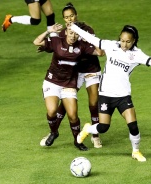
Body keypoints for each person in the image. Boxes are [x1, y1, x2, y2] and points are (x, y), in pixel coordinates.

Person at [70, 22, 151, 161]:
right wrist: (74, 27)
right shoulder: (111, 45)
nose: (124, 44)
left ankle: (135, 151)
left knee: (133, 126)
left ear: (134, 41)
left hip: (123, 95)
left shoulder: (137, 55)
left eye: (128, 42)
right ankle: (88, 129)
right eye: (122, 40)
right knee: (103, 127)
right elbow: (91, 39)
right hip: (106, 94)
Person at [39, 2, 103, 149]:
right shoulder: (63, 33)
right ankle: (53, 132)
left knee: (93, 103)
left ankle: (95, 135)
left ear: (76, 15)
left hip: (91, 68)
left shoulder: (87, 30)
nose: (69, 19)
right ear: (64, 19)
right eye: (66, 17)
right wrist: (44, 48)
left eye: (72, 16)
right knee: (65, 105)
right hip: (74, 72)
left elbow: (95, 49)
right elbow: (57, 48)